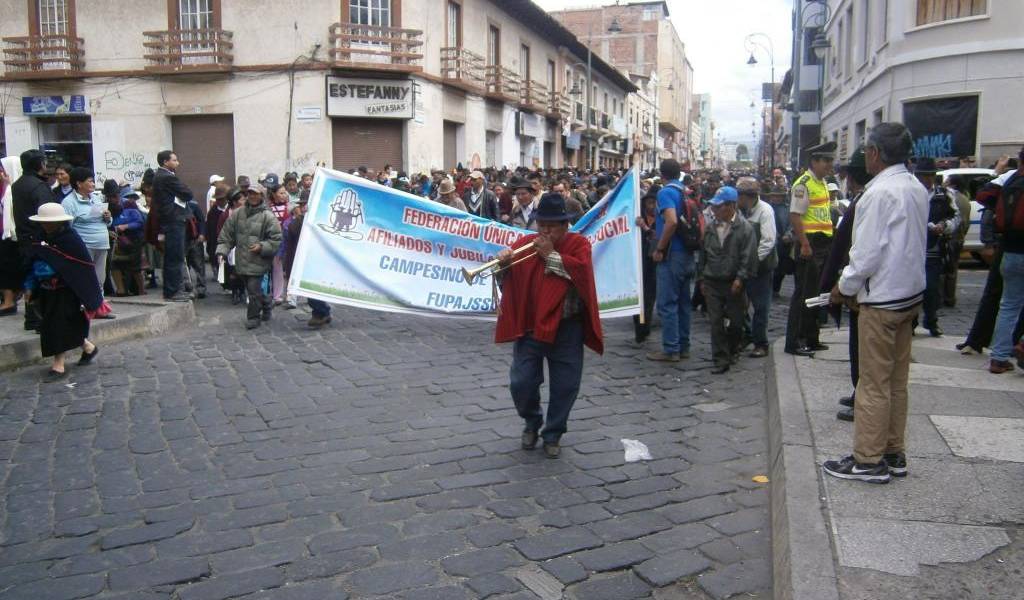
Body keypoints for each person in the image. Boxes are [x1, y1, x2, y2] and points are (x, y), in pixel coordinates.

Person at [823, 123, 927, 484]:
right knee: (897, 381)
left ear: (875, 153)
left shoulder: (878, 193)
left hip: (882, 299)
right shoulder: (915, 187)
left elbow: (865, 255)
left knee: (872, 383)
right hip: (908, 296)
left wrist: (843, 287)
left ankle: (868, 460)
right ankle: (894, 451)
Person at [494, 192, 602, 459]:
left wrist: (550, 255)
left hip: (567, 327)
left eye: (551, 226)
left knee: (566, 385)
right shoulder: (525, 243)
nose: (544, 231)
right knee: (521, 382)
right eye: (541, 225)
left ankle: (553, 432)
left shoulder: (579, 244)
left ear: (565, 225)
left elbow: (580, 273)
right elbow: (508, 284)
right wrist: (503, 265)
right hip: (531, 326)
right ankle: (532, 421)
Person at [819, 147, 873, 422]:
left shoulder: (866, 200)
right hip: (860, 285)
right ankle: (858, 391)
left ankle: (862, 397)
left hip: (863, 287)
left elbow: (861, 250)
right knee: (858, 345)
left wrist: (844, 284)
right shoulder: (862, 198)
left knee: (862, 347)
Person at [23, 203, 106, 378]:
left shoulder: (70, 239)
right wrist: (29, 286)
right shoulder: (39, 239)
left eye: (50, 222)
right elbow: (31, 264)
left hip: (67, 290)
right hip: (45, 290)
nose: (47, 225)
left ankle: (58, 365)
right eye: (44, 222)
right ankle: (89, 348)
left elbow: (81, 267)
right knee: (62, 324)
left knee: (58, 326)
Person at [784, 141, 837, 357]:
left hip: (823, 243)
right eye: (826, 160)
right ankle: (794, 341)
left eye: (831, 160)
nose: (830, 164)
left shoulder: (822, 182)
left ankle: (812, 337)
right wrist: (804, 243)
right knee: (803, 294)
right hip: (810, 244)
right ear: (814, 161)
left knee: (818, 294)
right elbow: (795, 215)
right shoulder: (803, 184)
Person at [698, 186, 757, 374]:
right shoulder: (710, 228)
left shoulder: (745, 228)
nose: (714, 210)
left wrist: (740, 278)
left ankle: (733, 350)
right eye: (714, 207)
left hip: (733, 282)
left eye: (718, 206)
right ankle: (720, 358)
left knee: (736, 322)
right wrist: (701, 279)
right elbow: (703, 255)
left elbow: (748, 257)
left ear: (731, 206)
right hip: (712, 280)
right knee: (715, 322)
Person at [647, 159, 697, 362]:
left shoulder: (665, 193)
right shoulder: (684, 191)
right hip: (687, 253)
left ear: (662, 175)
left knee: (667, 304)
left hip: (672, 255)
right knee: (684, 303)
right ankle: (684, 346)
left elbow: (672, 221)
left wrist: (660, 248)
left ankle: (671, 349)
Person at [216, 186, 282, 330]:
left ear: (261, 196)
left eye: (255, 194)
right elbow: (227, 234)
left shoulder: (268, 216)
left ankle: (253, 317)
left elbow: (276, 239)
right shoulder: (238, 213)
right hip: (242, 259)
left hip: (258, 260)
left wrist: (262, 246)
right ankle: (266, 303)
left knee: (253, 290)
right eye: (250, 194)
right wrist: (222, 251)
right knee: (253, 290)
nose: (252, 196)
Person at [983, 146, 1024, 374]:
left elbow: (983, 195)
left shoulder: (1009, 180)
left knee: (1008, 305)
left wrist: (998, 171)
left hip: (1009, 250)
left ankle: (998, 358)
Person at [914, 157, 960, 338]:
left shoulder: (944, 194)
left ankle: (931, 320)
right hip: (912, 248)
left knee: (932, 287)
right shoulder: (910, 193)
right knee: (911, 287)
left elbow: (955, 216)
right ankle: (911, 321)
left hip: (933, 248)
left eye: (930, 176)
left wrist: (944, 225)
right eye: (923, 176)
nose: (927, 180)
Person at [12, 150, 55, 330]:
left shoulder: (17, 185)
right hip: (39, 238)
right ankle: (39, 317)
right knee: (43, 277)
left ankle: (31, 316)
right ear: (39, 165)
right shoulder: (39, 186)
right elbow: (48, 214)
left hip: (24, 237)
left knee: (30, 277)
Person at [736, 177, 777, 358]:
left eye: (740, 196)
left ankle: (761, 343)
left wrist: (752, 261)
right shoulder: (740, 211)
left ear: (748, 197)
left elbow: (768, 241)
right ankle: (747, 334)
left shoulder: (765, 211)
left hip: (761, 267)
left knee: (760, 306)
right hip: (743, 266)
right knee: (739, 303)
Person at [61, 168, 113, 303]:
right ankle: (85, 304)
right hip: (84, 245)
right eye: (90, 181)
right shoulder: (69, 202)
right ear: (79, 184)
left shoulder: (96, 198)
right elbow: (67, 226)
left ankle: (99, 304)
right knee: (85, 276)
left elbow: (107, 222)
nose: (93, 184)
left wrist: (108, 217)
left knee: (100, 277)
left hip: (102, 244)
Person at [152, 150, 194, 302]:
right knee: (175, 257)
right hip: (174, 219)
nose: (177, 163)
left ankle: (172, 290)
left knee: (172, 257)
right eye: (174, 160)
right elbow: (188, 193)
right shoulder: (167, 177)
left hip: (169, 219)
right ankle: (173, 291)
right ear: (165, 162)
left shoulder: (160, 176)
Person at [109, 186, 146, 296]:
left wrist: (126, 226)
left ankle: (141, 289)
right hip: (118, 241)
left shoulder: (130, 205)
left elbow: (139, 222)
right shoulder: (109, 207)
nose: (113, 199)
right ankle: (121, 290)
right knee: (115, 265)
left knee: (135, 266)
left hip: (134, 240)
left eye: (115, 196)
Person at [633, 187, 659, 343]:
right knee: (638, 296)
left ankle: (645, 327)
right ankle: (639, 328)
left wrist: (645, 228)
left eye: (654, 203)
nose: (651, 206)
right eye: (649, 203)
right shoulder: (638, 217)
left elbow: (659, 237)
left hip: (654, 263)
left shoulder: (662, 219)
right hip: (639, 261)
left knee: (649, 297)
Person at [942, 174, 972, 307]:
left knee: (944, 268)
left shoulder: (951, 198)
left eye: (946, 181)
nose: (944, 183)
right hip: (959, 237)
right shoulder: (965, 198)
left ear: (952, 184)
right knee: (952, 268)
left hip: (950, 237)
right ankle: (950, 297)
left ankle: (944, 297)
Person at [184, 197, 207, 299]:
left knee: (199, 264)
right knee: (185, 266)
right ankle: (187, 288)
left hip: (194, 239)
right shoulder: (174, 205)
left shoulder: (193, 205)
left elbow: (201, 220)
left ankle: (201, 288)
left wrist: (202, 234)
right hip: (182, 239)